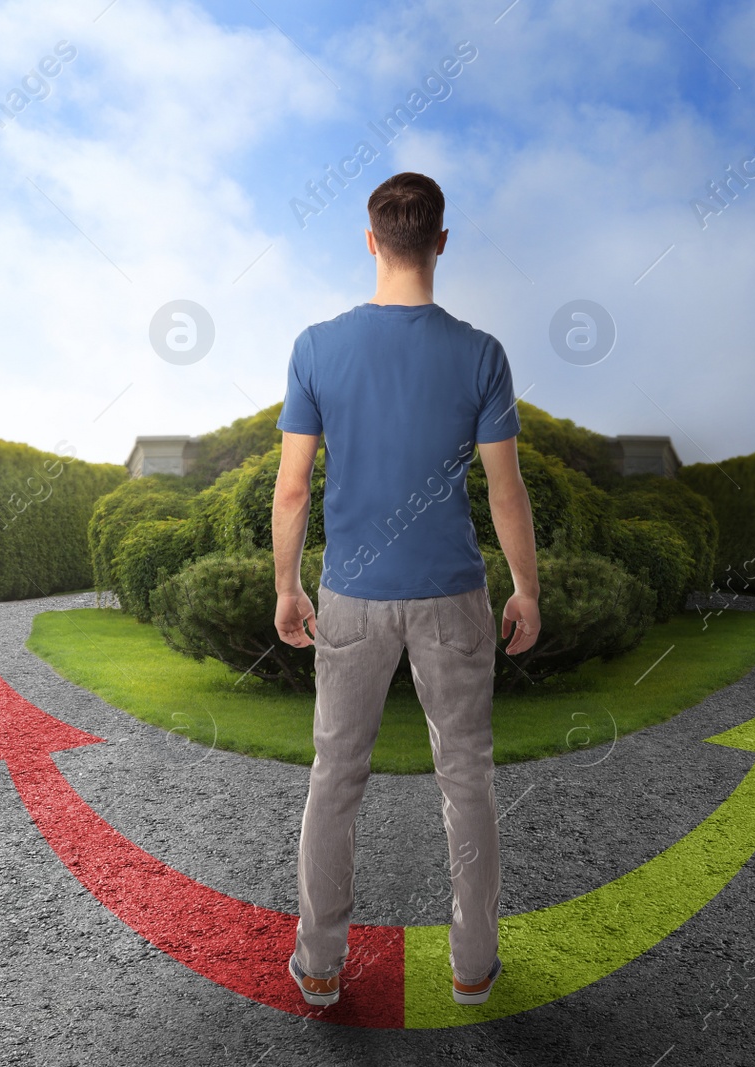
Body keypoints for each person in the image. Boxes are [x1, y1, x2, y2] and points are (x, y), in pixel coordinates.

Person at [270, 171, 541, 1009]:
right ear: (442, 243)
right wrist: (526, 587)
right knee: (467, 780)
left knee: (335, 777)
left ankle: (318, 966)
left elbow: (292, 489)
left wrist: (287, 586)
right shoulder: (481, 354)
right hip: (454, 596)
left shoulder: (316, 347)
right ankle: (472, 968)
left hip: (349, 595)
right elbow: (505, 490)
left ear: (371, 240)